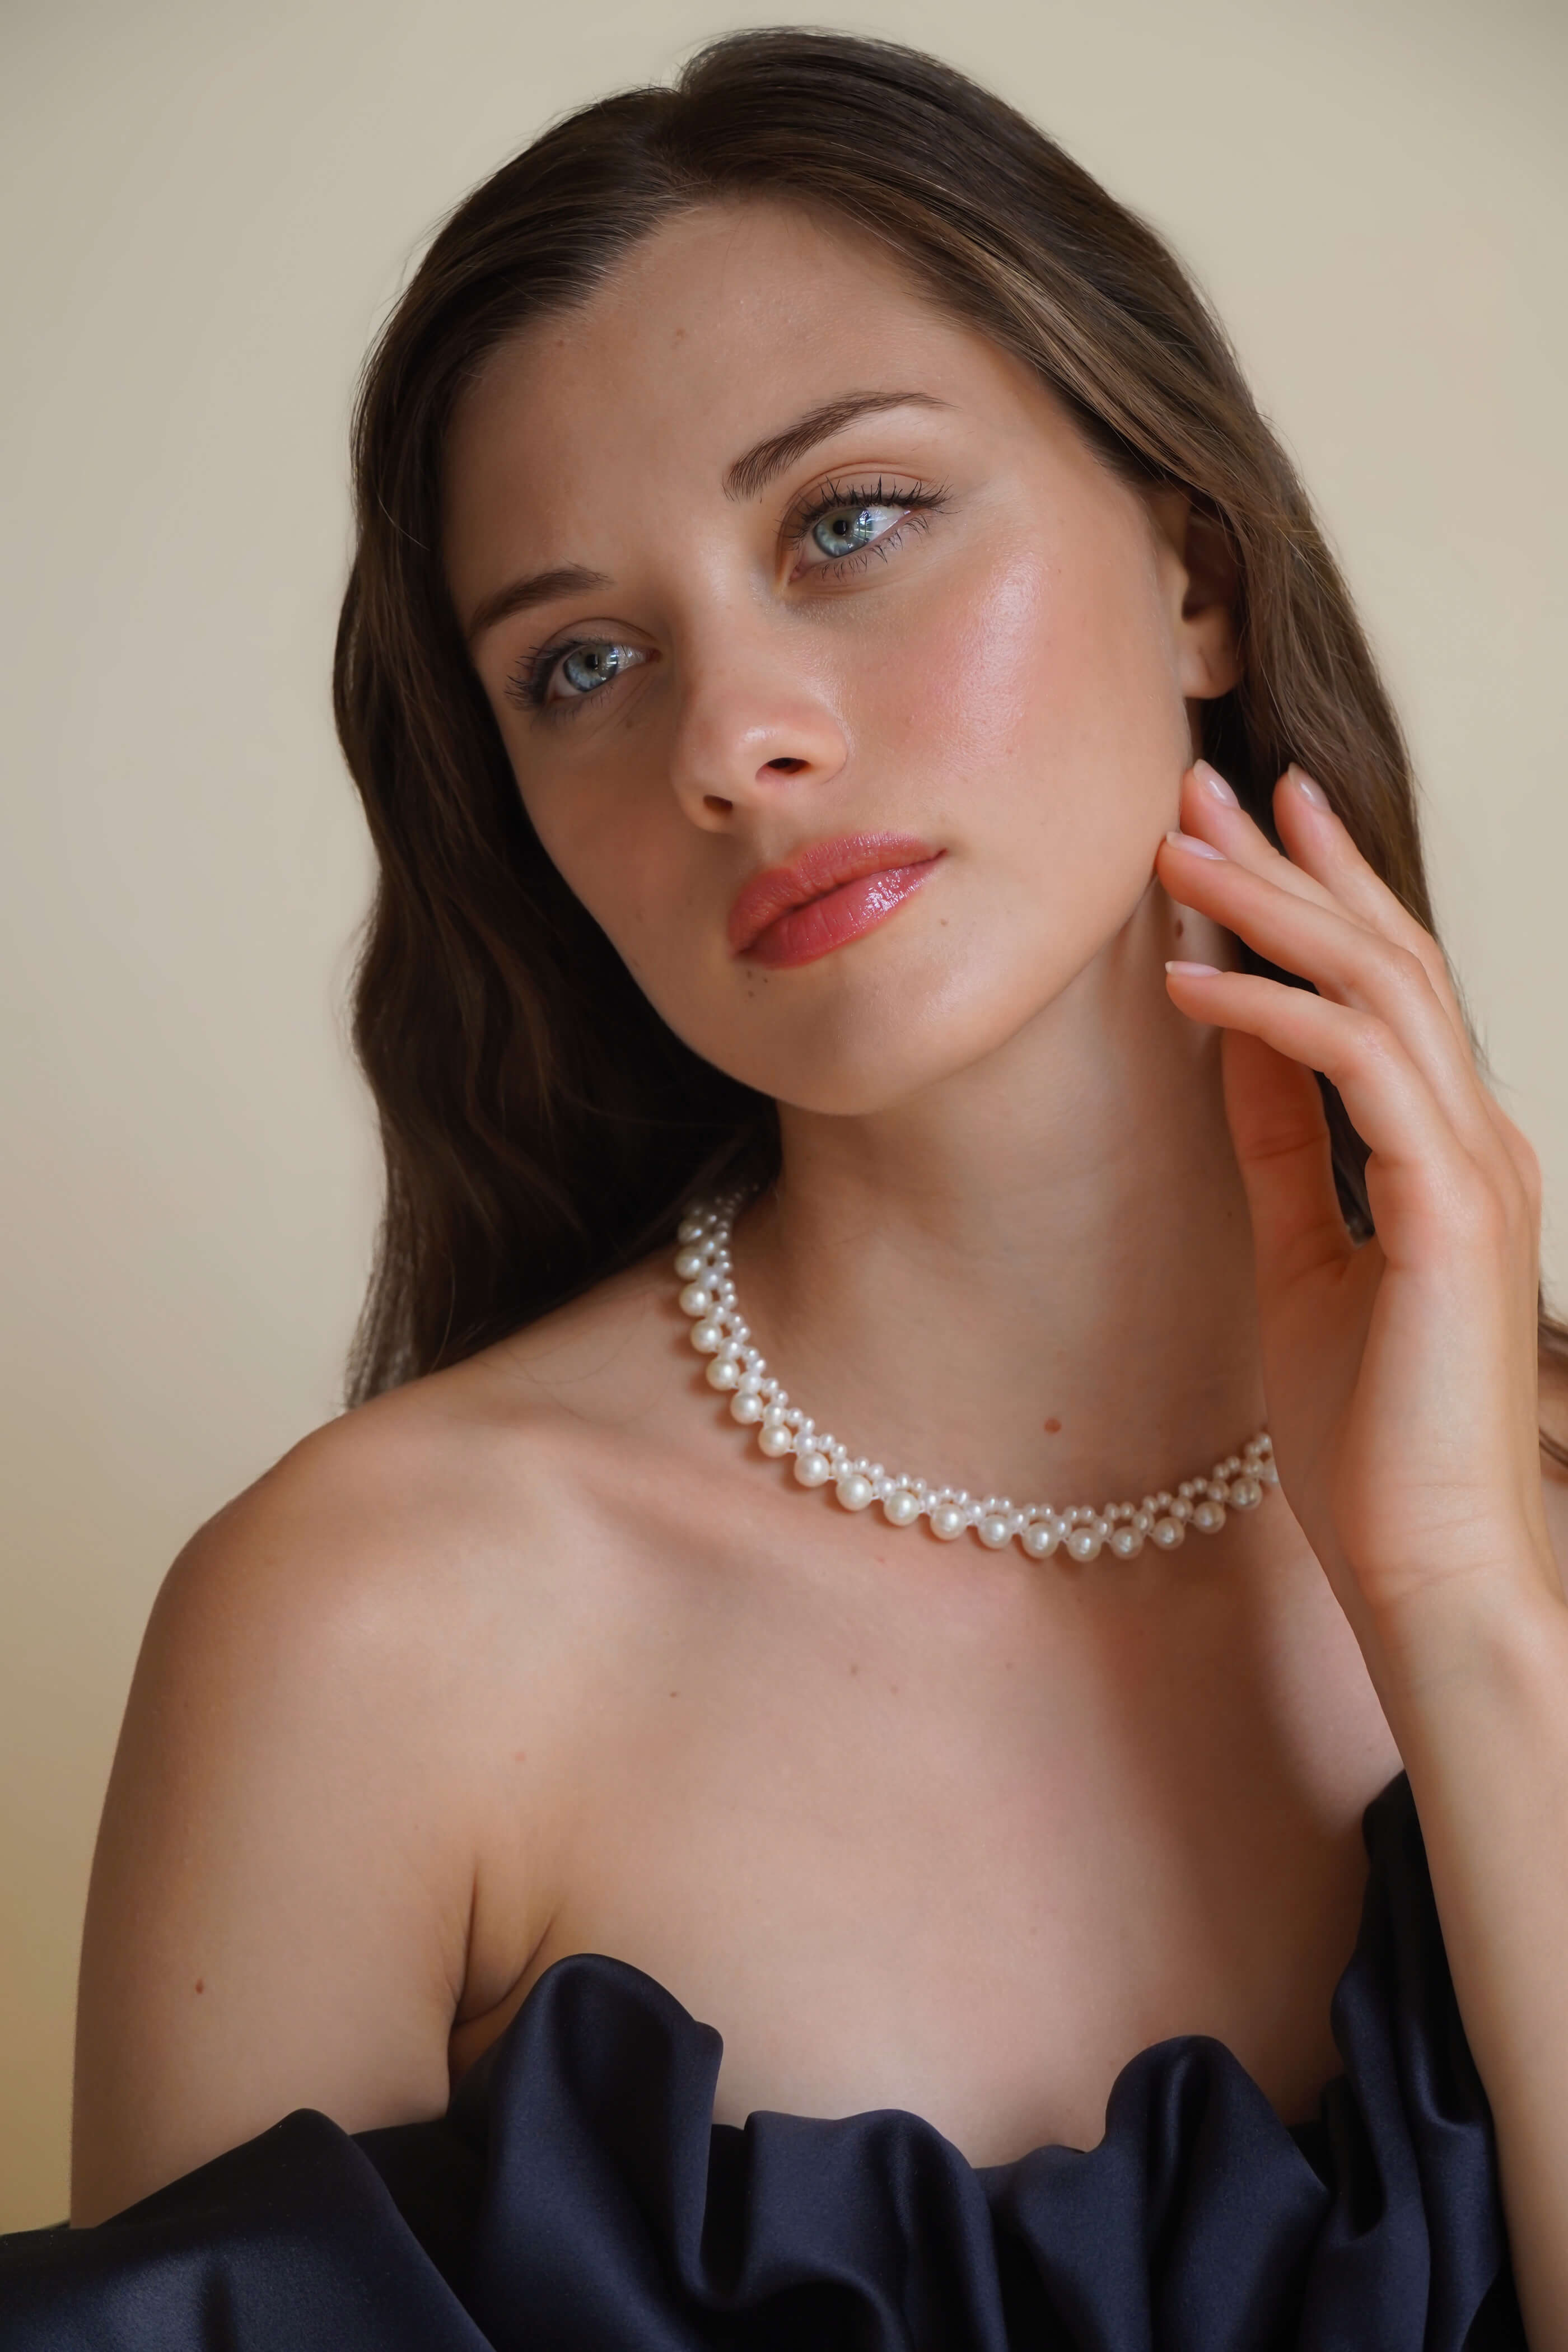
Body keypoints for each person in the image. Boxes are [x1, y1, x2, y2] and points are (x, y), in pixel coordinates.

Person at [4, 27, 1565, 2349]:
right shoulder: (370, 1637)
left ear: (1195, 573)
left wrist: (1461, 1606)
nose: (734, 743)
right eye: (582, 662)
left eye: (848, 521)